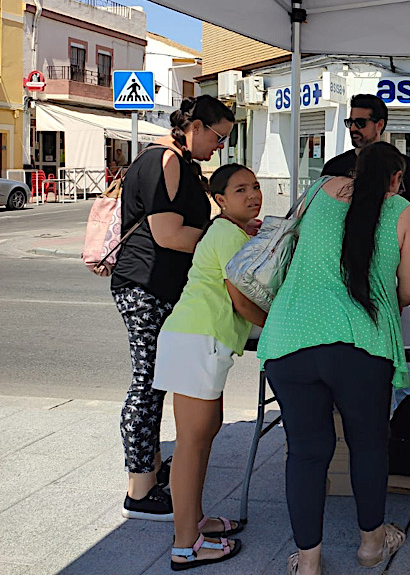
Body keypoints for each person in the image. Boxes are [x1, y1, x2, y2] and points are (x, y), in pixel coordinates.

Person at [258, 141, 410, 575]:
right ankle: (371, 545)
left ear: (355, 169)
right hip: (360, 344)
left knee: (307, 451)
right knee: (368, 445)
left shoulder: (318, 191)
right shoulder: (402, 211)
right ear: (395, 179)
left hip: (291, 336)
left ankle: (308, 561)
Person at [111, 95, 235, 521]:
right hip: (145, 283)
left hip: (160, 285)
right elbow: (167, 234)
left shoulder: (182, 162)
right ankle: (139, 489)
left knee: (156, 380)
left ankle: (153, 469)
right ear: (195, 127)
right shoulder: (164, 159)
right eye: (219, 137)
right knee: (146, 383)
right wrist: (222, 240)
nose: (220, 147)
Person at [152, 164, 266, 569]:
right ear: (220, 200)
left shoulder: (232, 233)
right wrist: (277, 326)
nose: (253, 195)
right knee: (191, 445)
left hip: (201, 341)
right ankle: (186, 545)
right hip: (196, 340)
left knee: (204, 436)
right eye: (240, 190)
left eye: (255, 187)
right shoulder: (228, 236)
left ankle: (195, 521)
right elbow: (241, 300)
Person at [322, 93, 410, 408]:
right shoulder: (336, 166)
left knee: (399, 367)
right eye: (349, 121)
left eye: (361, 122)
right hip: (342, 273)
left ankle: (397, 416)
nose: (353, 128)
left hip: (392, 273)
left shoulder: (405, 166)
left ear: (380, 124)